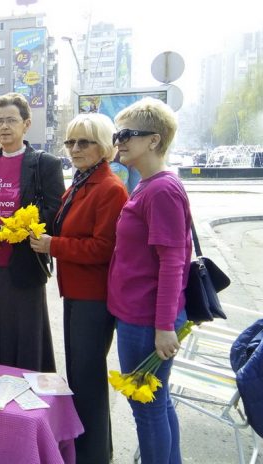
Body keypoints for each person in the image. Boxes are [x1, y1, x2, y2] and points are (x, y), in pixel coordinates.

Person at [29, 113, 128, 464]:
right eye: (70, 142)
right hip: (76, 293)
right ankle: (88, 450)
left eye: (83, 142)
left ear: (103, 146)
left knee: (88, 383)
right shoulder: (83, 181)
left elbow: (103, 248)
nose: (74, 149)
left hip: (93, 296)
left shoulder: (109, 188)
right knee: (80, 378)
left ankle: (94, 456)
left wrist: (52, 245)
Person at [107, 97, 191, 464]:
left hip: (146, 320)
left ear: (154, 140)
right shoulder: (149, 184)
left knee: (147, 408)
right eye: (116, 134)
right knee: (157, 404)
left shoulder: (161, 190)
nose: (119, 141)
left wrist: (163, 326)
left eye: (126, 134)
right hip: (139, 314)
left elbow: (173, 262)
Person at [0, 92, 65, 372]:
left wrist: (14, 230)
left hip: (23, 265)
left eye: (11, 120)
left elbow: (53, 212)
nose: (4, 127)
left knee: (25, 334)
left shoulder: (44, 164)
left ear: (26, 123)